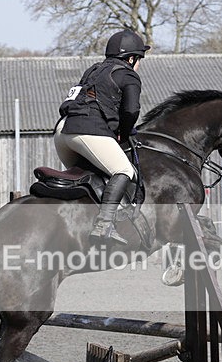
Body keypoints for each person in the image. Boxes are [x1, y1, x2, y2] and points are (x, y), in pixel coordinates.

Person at [54, 29, 150, 245]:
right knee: (123, 170)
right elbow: (131, 111)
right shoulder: (128, 75)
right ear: (132, 58)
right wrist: (122, 134)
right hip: (87, 130)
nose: (139, 64)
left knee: (93, 178)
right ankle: (103, 226)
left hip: (62, 132)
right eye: (140, 59)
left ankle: (80, 224)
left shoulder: (93, 70)